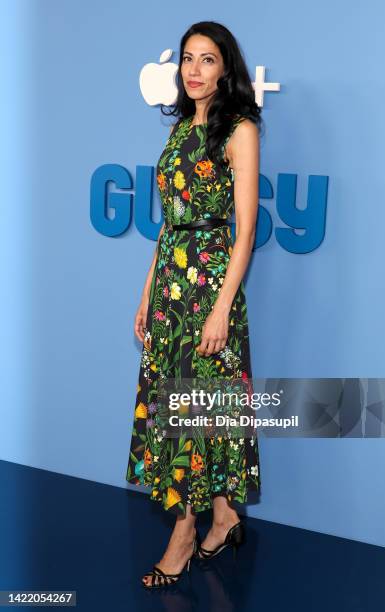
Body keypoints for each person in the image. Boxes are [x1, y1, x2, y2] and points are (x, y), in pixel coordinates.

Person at [126, 20, 262, 588]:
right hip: (168, 290)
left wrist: (221, 307)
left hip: (209, 287)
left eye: (207, 59)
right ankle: (225, 515)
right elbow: (168, 224)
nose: (193, 69)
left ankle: (184, 534)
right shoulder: (181, 128)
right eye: (187, 58)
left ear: (225, 68)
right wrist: (145, 292)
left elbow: (246, 228)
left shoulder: (241, 129)